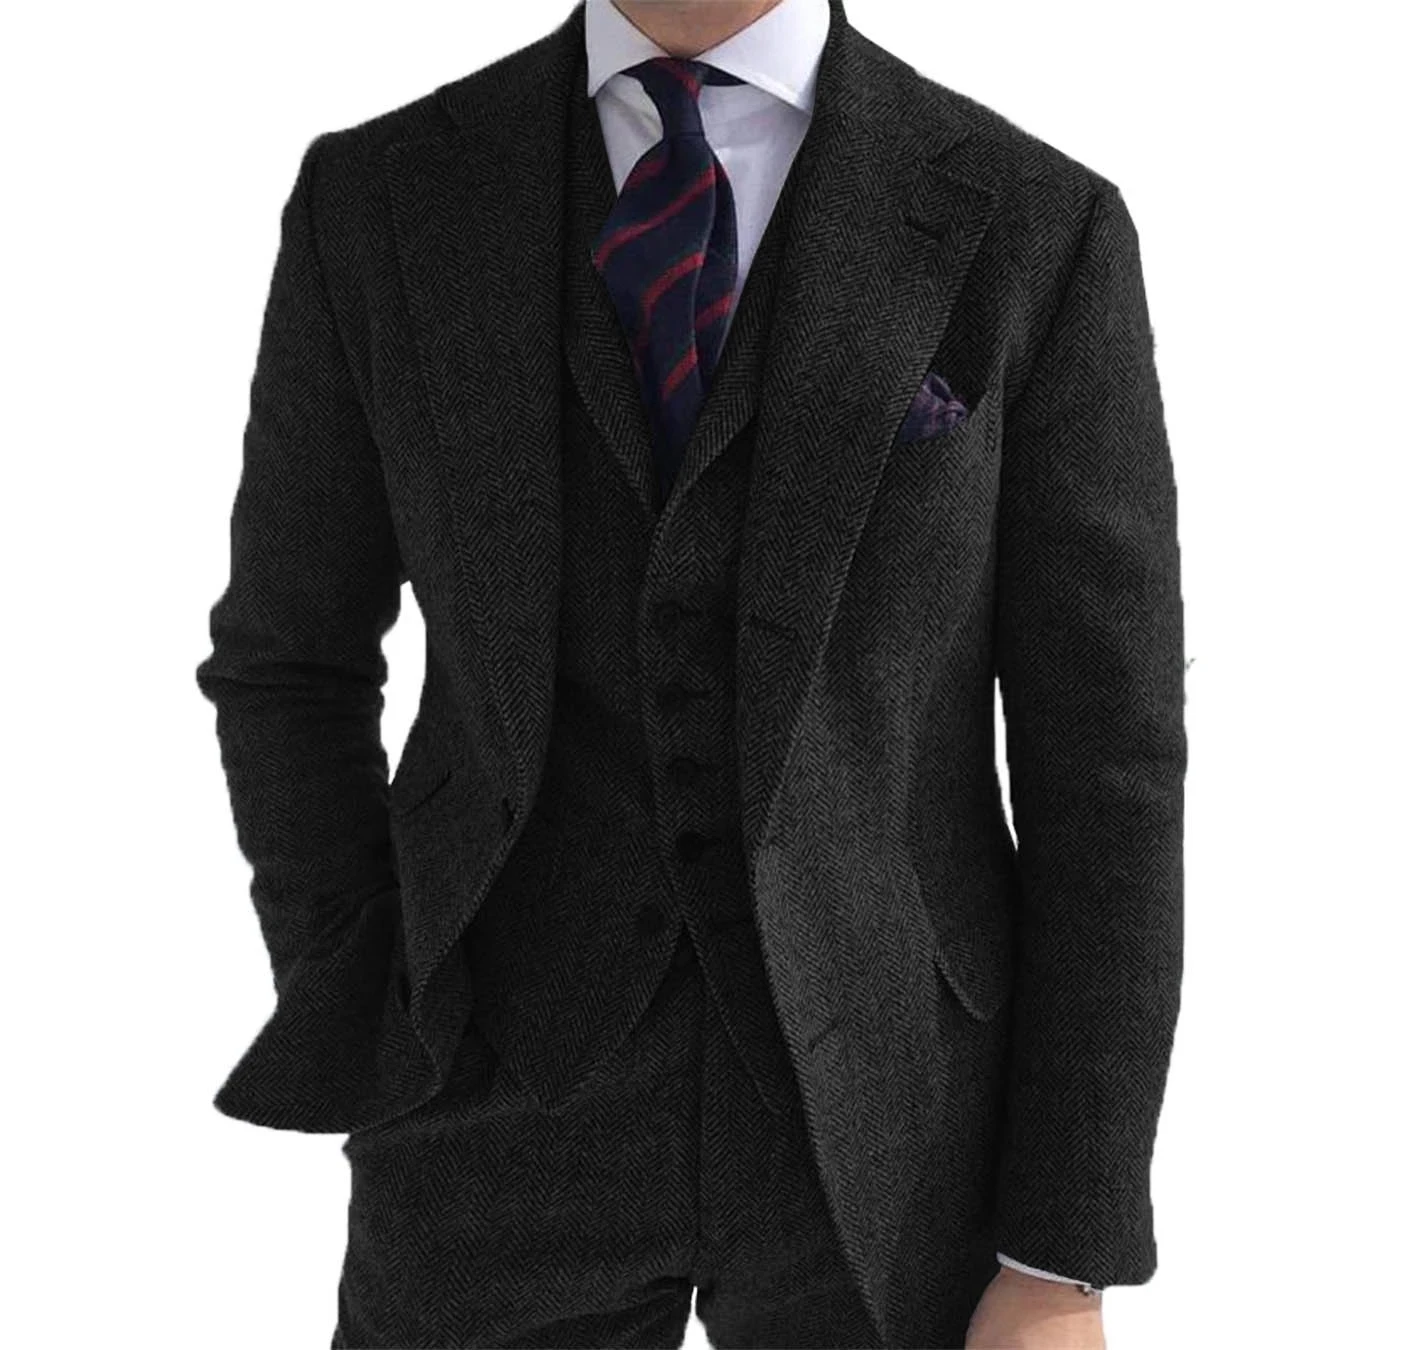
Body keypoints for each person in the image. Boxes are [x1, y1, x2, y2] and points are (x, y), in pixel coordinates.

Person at [194, 1, 1186, 1345]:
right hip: (488, 1106)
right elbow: (288, 659)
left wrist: (1062, 1251)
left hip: (902, 1128)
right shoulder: (381, 198)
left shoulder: (1038, 225)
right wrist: (365, 989)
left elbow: (1106, 763)